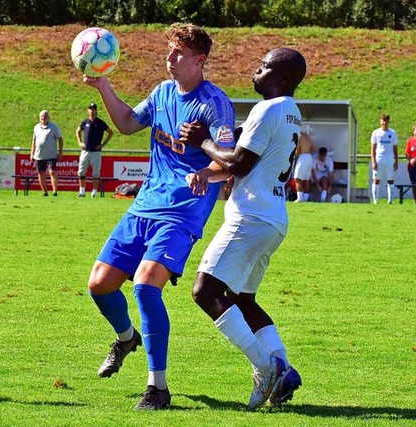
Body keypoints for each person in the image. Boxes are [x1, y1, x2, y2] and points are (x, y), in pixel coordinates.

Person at [81, 23, 235, 410]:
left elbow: (232, 163)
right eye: (169, 51)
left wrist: (205, 172)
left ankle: (157, 387)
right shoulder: (163, 92)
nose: (169, 58)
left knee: (147, 284)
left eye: (178, 53)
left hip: (183, 211)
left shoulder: (215, 103)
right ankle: (126, 337)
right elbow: (129, 124)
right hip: (145, 204)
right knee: (99, 284)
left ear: (199, 60)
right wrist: (103, 86)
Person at [179, 47, 307, 410]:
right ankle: (283, 366)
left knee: (205, 290)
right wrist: (208, 167)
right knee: (242, 299)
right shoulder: (291, 112)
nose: (256, 69)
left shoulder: (266, 109)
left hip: (249, 217)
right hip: (273, 219)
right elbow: (247, 156)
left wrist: (202, 141)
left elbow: (238, 164)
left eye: (264, 66)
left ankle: (267, 368)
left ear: (281, 78)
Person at [76, 102, 114, 198]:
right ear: (88, 110)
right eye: (90, 109)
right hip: (85, 151)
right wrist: (80, 142)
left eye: (93, 109)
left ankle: (94, 192)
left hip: (96, 152)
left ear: (96, 110)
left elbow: (110, 132)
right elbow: (78, 131)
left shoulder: (100, 123)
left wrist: (103, 144)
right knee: (81, 171)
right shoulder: (85, 122)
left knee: (96, 173)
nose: (91, 111)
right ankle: (82, 191)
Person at [30, 110, 63, 197]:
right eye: (42, 116)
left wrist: (60, 152)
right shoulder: (36, 127)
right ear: (39, 118)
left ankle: (55, 192)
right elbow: (34, 141)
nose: (43, 118)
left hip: (51, 155)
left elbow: (60, 139)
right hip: (39, 156)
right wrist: (31, 153)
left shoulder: (54, 127)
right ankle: (44, 192)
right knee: (41, 173)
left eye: (45, 116)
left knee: (52, 172)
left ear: (48, 117)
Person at [370, 114, 398, 204]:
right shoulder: (375, 132)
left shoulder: (392, 133)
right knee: (376, 179)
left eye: (386, 121)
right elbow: (373, 148)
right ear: (380, 121)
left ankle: (390, 200)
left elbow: (395, 147)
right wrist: (373, 161)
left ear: (388, 122)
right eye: (383, 120)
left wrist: (396, 161)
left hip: (389, 158)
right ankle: (375, 200)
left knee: (390, 179)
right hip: (379, 158)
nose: (384, 122)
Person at [292, 131, 314, 202]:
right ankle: (305, 198)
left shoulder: (299, 135)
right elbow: (312, 148)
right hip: (309, 157)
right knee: (307, 179)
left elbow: (298, 149)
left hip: (303, 157)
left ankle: (300, 198)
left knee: (297, 179)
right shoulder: (307, 136)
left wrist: (294, 156)